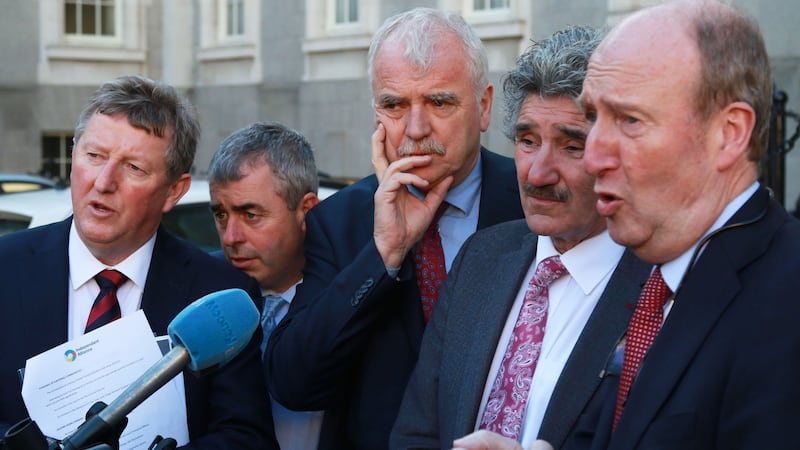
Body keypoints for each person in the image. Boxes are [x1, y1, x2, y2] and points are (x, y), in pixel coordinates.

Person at [266, 7, 525, 450]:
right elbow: (294, 383)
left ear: (484, 107)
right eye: (394, 105)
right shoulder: (340, 221)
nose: (416, 129)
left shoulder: (531, 205)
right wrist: (383, 254)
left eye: (439, 102)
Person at [390, 25, 650, 450]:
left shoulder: (660, 288)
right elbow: (417, 432)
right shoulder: (481, 258)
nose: (538, 173)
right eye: (528, 141)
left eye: (572, 147)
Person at [566, 1, 800, 449]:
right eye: (593, 117)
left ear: (729, 133)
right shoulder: (663, 274)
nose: (592, 157)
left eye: (630, 120)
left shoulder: (787, 300)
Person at [0, 75, 278, 450]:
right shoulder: (6, 268)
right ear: (74, 154)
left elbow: (247, 437)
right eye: (94, 156)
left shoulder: (218, 293)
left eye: (133, 167)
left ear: (174, 190)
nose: (103, 182)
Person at [208, 121, 323, 450]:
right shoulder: (203, 293)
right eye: (221, 215)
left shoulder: (345, 299)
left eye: (250, 215)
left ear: (306, 212)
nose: (231, 238)